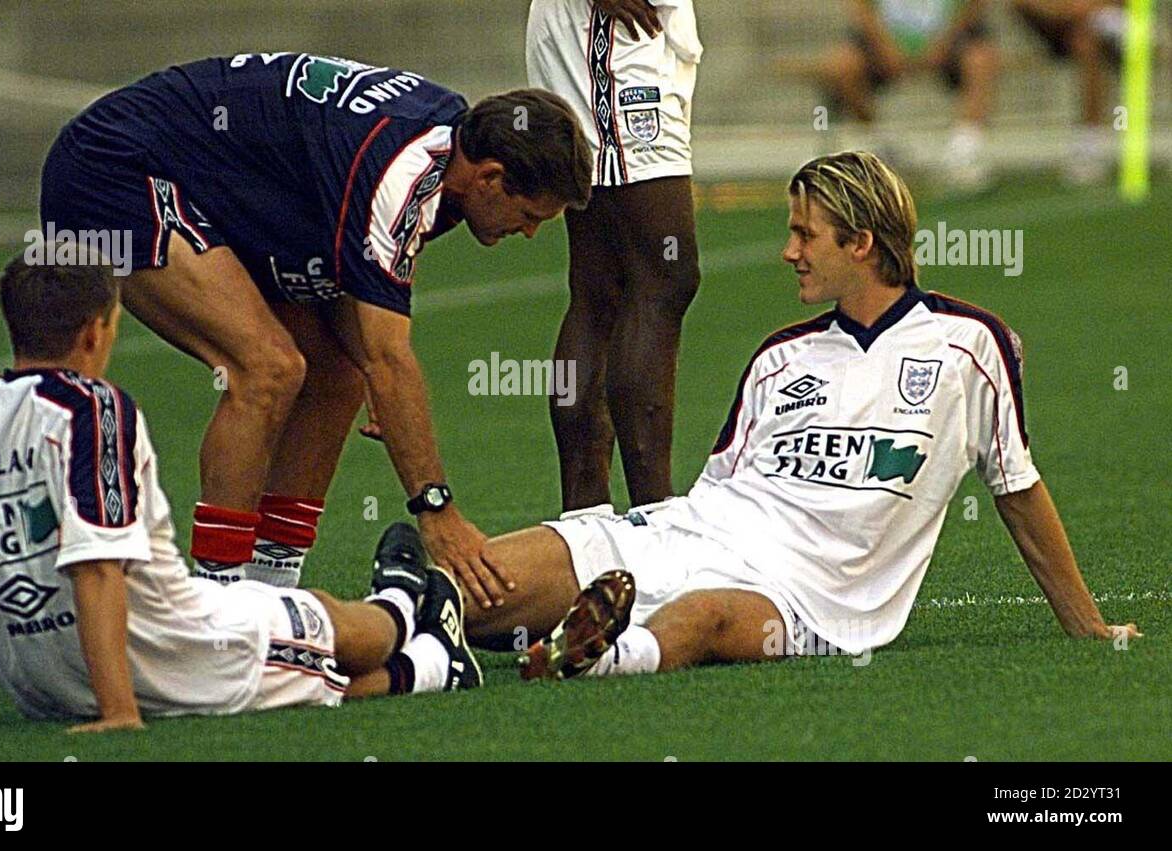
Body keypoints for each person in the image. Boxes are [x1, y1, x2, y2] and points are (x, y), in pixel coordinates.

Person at [461, 151, 1141, 680]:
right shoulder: (780, 357)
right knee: (476, 582)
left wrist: (1088, 624)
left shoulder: (970, 346)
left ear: (861, 243)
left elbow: (1017, 488)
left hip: (805, 598)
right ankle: (405, 634)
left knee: (701, 615)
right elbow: (713, 497)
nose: (788, 251)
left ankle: (598, 655)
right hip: (688, 536)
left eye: (804, 234)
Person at [40, 53, 592, 610]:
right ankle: (218, 608)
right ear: (492, 178)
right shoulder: (402, 174)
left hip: (222, 183)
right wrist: (436, 509)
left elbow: (368, 322)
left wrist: (377, 368)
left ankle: (273, 597)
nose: (527, 233)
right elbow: (390, 357)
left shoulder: (449, 149)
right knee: (268, 369)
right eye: (531, 215)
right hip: (114, 167)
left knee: (339, 378)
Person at [0, 251, 480, 734]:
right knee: (325, 629)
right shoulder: (92, 410)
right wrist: (119, 712)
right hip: (175, 650)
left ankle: (412, 620)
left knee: (289, 649)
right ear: (96, 332)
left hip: (40, 685)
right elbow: (98, 567)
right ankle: (412, 626)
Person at [525, 0, 704, 511]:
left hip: (614, 37)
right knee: (665, 276)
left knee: (604, 288)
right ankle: (654, 511)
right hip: (607, 38)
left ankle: (587, 515)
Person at [814, 1, 1000, 190]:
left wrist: (944, 43)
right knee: (841, 65)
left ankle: (965, 149)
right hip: (882, 42)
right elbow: (860, 8)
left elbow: (976, 5)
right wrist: (884, 45)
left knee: (981, 59)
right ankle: (875, 143)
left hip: (950, 40)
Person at [1013, 0, 1129, 184]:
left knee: (1086, 42)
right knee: (1085, 37)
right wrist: (1067, 9)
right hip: (1057, 26)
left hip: (1096, 24)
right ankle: (1088, 145)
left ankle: (1089, 143)